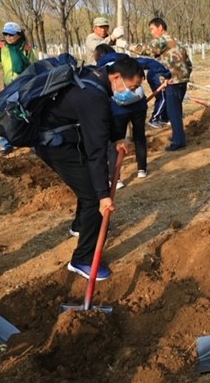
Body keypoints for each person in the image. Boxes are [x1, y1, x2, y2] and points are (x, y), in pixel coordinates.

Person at [36, 57, 144, 280]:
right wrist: (103, 196)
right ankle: (82, 260)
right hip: (57, 146)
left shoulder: (94, 77)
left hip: (63, 136)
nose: (133, 92)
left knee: (88, 186)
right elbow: (96, 152)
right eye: (132, 87)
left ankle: (79, 225)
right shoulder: (93, 97)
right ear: (116, 78)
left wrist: (116, 138)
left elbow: (101, 124)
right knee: (94, 197)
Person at [94, 44, 172, 187]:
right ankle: (142, 169)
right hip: (138, 106)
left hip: (118, 110)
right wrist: (167, 75)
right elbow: (150, 62)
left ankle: (115, 178)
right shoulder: (126, 61)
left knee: (115, 142)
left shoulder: (102, 69)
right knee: (139, 136)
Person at [131, 18, 192, 151]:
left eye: (152, 29)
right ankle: (177, 135)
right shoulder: (176, 40)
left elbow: (145, 50)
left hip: (173, 81)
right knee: (176, 109)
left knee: (173, 112)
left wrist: (125, 45)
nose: (152, 33)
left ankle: (179, 141)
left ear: (160, 27)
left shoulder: (162, 40)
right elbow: (188, 62)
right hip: (182, 79)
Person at [0, 22, 37, 155]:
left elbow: (34, 66)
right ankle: (6, 144)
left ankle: (33, 143)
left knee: (27, 113)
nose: (8, 37)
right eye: (5, 34)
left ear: (18, 35)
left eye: (11, 34)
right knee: (6, 113)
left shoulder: (26, 48)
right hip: (8, 86)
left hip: (25, 86)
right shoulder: (1, 47)